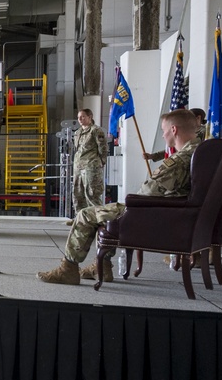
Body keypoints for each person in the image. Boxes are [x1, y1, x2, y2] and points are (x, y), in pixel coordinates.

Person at [38, 109, 200, 285]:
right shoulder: (199, 153)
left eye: (164, 130)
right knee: (101, 211)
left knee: (85, 214)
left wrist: (129, 201)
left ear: (174, 130)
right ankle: (103, 267)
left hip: (150, 214)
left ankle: (68, 269)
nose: (163, 135)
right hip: (170, 212)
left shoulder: (180, 160)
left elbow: (147, 193)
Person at [72, 109, 108, 213]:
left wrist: (101, 161)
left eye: (82, 116)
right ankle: (80, 219)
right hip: (78, 166)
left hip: (91, 166)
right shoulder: (78, 132)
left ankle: (98, 219)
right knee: (78, 193)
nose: (80, 119)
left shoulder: (96, 130)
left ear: (90, 117)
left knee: (92, 193)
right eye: (78, 117)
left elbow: (103, 148)